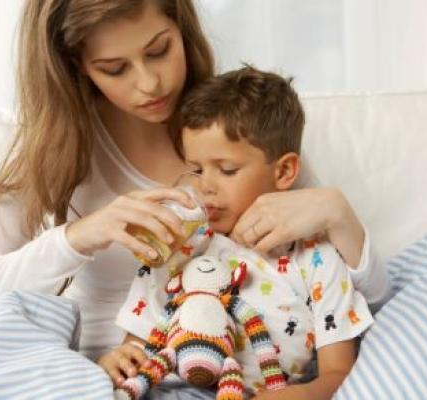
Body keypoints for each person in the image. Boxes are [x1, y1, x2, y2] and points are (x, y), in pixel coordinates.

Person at [0, 0, 389, 390]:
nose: (149, 83)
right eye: (114, 68)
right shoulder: (58, 150)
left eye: (159, 50)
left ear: (182, 27)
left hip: (239, 373)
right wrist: (79, 237)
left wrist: (336, 213)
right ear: (76, 64)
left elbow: (353, 298)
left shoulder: (233, 127)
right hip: (109, 372)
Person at [114, 65, 381, 399]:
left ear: (283, 171)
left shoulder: (316, 257)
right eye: (196, 170)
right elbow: (136, 351)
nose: (205, 186)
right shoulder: (184, 246)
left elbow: (337, 374)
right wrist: (118, 360)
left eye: (227, 170)